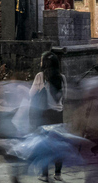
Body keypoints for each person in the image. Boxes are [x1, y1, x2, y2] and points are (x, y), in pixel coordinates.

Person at [29, 51, 66, 182]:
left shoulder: (40, 76)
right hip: (58, 115)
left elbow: (31, 93)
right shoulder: (62, 77)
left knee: (44, 145)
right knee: (57, 144)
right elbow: (64, 97)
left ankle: (45, 174)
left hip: (44, 115)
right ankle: (58, 174)